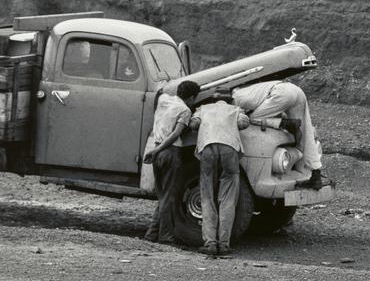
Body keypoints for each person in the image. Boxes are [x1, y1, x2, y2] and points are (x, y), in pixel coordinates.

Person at [231, 80, 331, 190]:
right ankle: (316, 175)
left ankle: (284, 123)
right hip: (295, 90)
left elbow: (241, 118)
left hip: (281, 94)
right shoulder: (250, 89)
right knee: (306, 133)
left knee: (252, 119)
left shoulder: (234, 99)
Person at [189, 90, 250, 256]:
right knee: (228, 197)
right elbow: (244, 123)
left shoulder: (203, 108)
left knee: (207, 195)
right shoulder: (235, 110)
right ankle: (223, 244)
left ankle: (209, 243)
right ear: (229, 100)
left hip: (207, 147)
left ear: (214, 99)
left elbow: (193, 124)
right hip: (229, 149)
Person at [142, 80, 199, 244]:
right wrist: (158, 150)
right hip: (170, 152)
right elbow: (175, 135)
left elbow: (161, 89)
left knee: (162, 195)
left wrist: (155, 150)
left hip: (157, 151)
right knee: (169, 196)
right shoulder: (185, 110)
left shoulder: (164, 100)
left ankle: (151, 233)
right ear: (191, 97)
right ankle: (165, 236)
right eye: (194, 98)